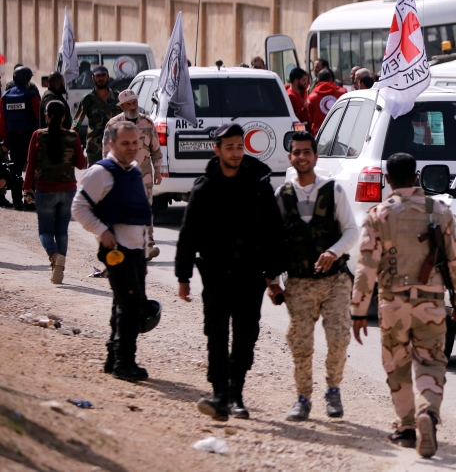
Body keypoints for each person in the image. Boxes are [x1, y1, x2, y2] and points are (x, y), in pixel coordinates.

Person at [350, 152, 456, 458]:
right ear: (416, 177)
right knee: (431, 362)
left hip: (392, 302)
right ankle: (427, 413)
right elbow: (455, 259)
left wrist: (359, 311)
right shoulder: (439, 210)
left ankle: (405, 427)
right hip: (431, 301)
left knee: (397, 364)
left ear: (387, 180)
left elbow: (365, 267)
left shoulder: (378, 215)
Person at [175, 123, 287, 421]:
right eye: (230, 148)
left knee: (246, 334)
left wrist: (273, 275)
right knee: (216, 331)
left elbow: (275, 231)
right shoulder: (205, 187)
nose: (236, 153)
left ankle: (236, 392)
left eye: (240, 146)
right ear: (217, 150)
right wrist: (183, 277)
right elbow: (188, 233)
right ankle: (219, 393)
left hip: (250, 273)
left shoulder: (259, 185)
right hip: (215, 272)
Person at [268, 132, 358, 422]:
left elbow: (351, 231)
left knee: (339, 338)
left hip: (335, 282)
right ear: (290, 157)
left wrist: (333, 252)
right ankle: (303, 398)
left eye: (307, 152)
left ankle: (333, 389)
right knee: (301, 343)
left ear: (316, 156)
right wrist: (272, 282)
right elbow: (271, 241)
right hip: (299, 283)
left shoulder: (333, 191)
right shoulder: (282, 196)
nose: (302, 157)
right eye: (297, 153)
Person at [72, 121, 152, 382]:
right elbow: (79, 208)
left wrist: (144, 251)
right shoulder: (101, 172)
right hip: (116, 250)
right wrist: (101, 231)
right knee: (130, 305)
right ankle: (124, 363)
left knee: (125, 303)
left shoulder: (133, 171)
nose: (131, 148)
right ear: (111, 145)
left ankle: (113, 357)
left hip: (135, 251)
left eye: (135, 142)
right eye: (125, 143)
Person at [24, 100, 86, 284]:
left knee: (45, 231)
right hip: (68, 190)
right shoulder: (73, 136)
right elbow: (81, 164)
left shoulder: (37, 135)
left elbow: (31, 164)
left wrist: (27, 187)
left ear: (46, 116)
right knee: (62, 231)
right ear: (64, 117)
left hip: (45, 190)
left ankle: (54, 255)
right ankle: (59, 266)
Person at [102, 89, 163, 260]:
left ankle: (148, 244)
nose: (132, 106)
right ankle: (129, 245)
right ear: (122, 106)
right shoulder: (113, 126)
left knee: (146, 208)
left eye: (134, 102)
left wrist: (158, 170)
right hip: (120, 176)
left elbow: (156, 150)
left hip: (144, 175)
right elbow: (106, 153)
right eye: (128, 104)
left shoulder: (148, 123)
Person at [1, 66, 42, 210]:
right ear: (27, 79)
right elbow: (40, 118)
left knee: (15, 170)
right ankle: (29, 202)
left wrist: (5, 141)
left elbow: (2, 122)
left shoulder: (5, 97)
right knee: (31, 169)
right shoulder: (31, 95)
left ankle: (17, 201)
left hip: (12, 139)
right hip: (30, 139)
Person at [73, 65, 121, 166]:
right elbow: (76, 122)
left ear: (108, 77)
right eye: (98, 75)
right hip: (94, 148)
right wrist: (70, 141)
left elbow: (126, 120)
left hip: (114, 146)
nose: (101, 78)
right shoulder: (88, 99)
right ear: (93, 78)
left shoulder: (117, 97)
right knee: (95, 178)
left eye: (103, 75)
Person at [306, 69, 346, 135]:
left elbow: (311, 118)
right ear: (332, 79)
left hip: (319, 134)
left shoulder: (311, 97)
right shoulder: (343, 93)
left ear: (317, 80)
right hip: (339, 132)